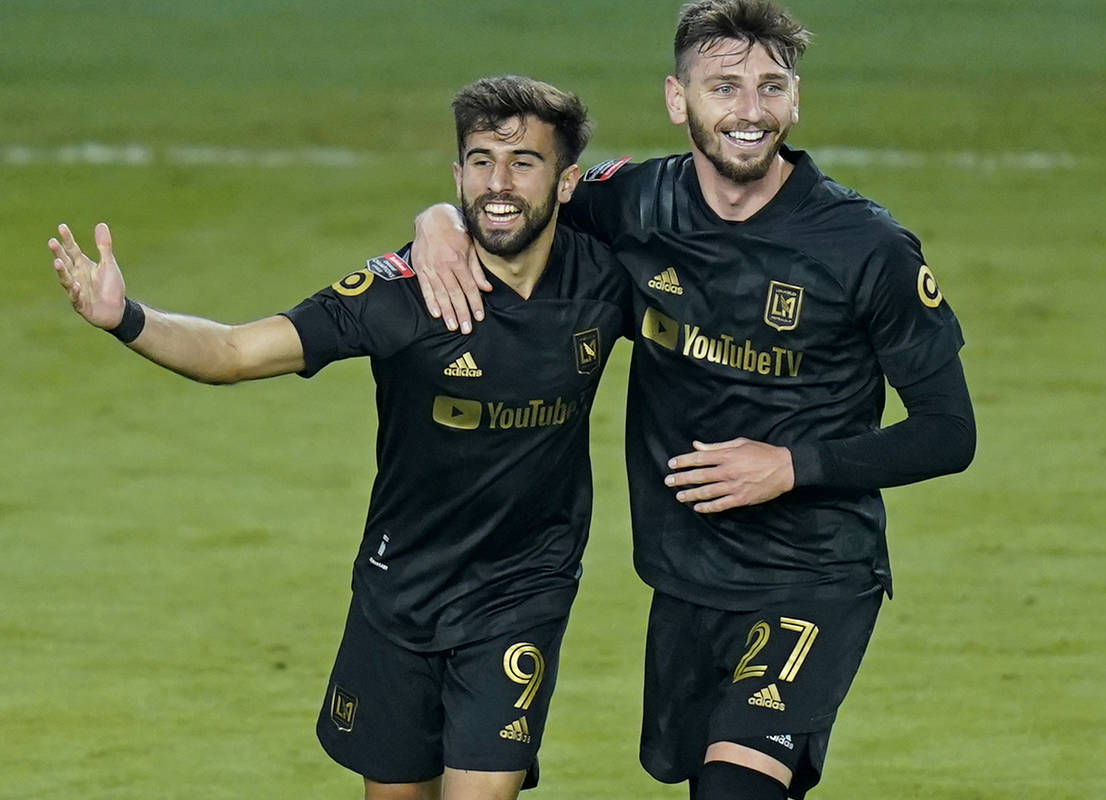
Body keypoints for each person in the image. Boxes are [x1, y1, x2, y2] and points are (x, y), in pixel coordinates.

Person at [410, 1, 976, 798]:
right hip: (684, 574)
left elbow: (950, 432)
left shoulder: (867, 247)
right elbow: (514, 202)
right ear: (679, 100)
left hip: (814, 572)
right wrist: (437, 221)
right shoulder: (636, 203)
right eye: (725, 87)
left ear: (796, 99)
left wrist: (790, 465)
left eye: (771, 86)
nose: (751, 111)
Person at [48, 75, 631, 800]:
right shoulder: (400, 294)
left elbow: (707, 210)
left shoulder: (605, 278)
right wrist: (127, 317)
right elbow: (234, 351)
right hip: (400, 591)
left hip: (522, 591)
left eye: (524, 162)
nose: (499, 183)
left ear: (566, 180)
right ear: (457, 174)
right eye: (480, 161)